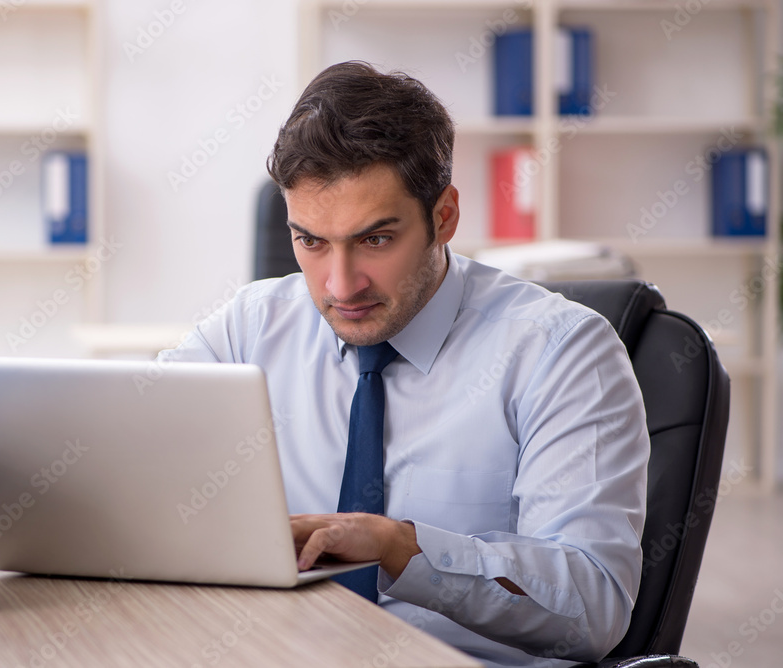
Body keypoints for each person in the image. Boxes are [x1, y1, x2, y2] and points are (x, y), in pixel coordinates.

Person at [157, 61, 649, 668]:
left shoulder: (562, 352)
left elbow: (592, 606)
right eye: (310, 241)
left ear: (443, 216)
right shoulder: (251, 326)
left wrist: (400, 550)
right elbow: (130, 442)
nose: (340, 284)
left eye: (375, 239)